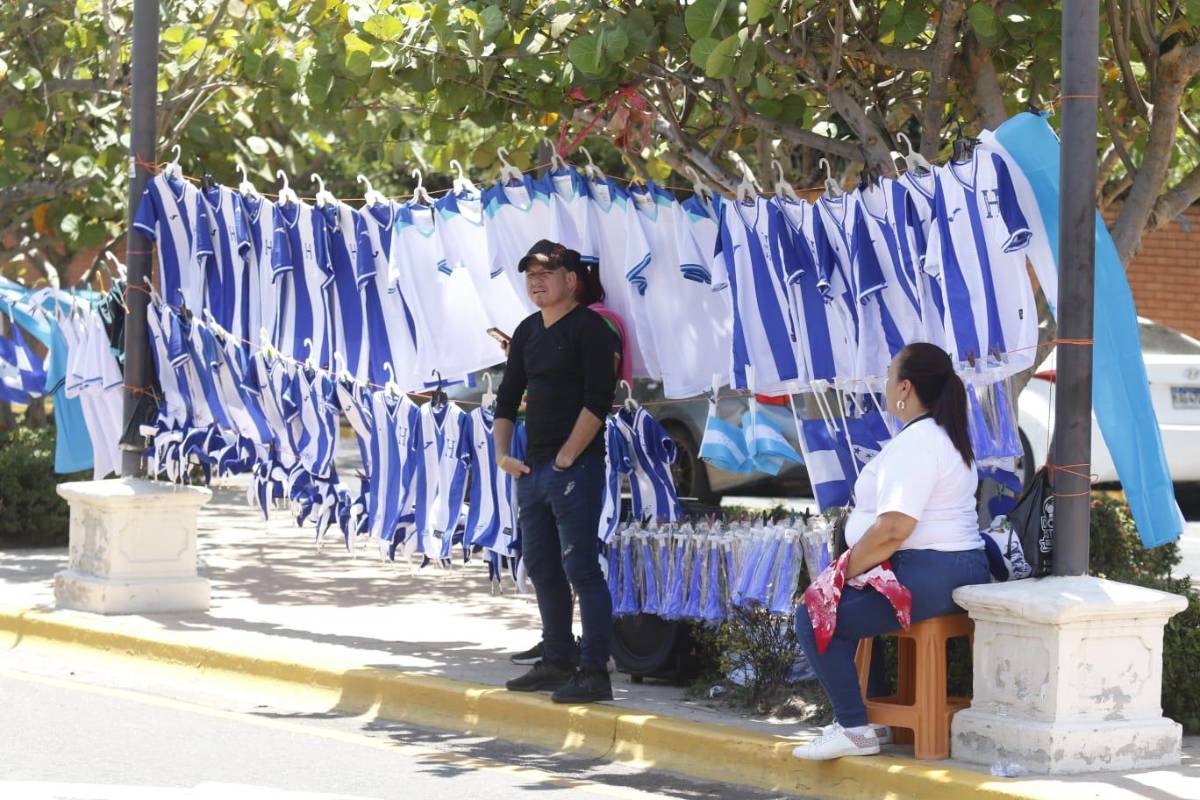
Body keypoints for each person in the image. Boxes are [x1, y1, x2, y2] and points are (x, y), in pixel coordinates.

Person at [791, 342, 991, 760]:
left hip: (931, 569)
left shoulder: (919, 443)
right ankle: (871, 719)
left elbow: (894, 529)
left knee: (813, 613)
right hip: (950, 566)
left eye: (887, 378)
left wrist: (839, 573)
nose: (883, 387)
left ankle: (852, 727)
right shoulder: (943, 436)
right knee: (850, 609)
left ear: (905, 388)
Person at [494, 239, 620, 704]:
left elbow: (598, 401)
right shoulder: (527, 331)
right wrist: (503, 456)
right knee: (543, 566)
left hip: (575, 469)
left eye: (547, 272)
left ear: (572, 279)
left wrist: (568, 455)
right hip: (531, 471)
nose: (537, 281)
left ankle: (594, 671)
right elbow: (507, 399)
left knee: (581, 568)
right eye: (530, 274)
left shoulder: (592, 330)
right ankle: (556, 658)